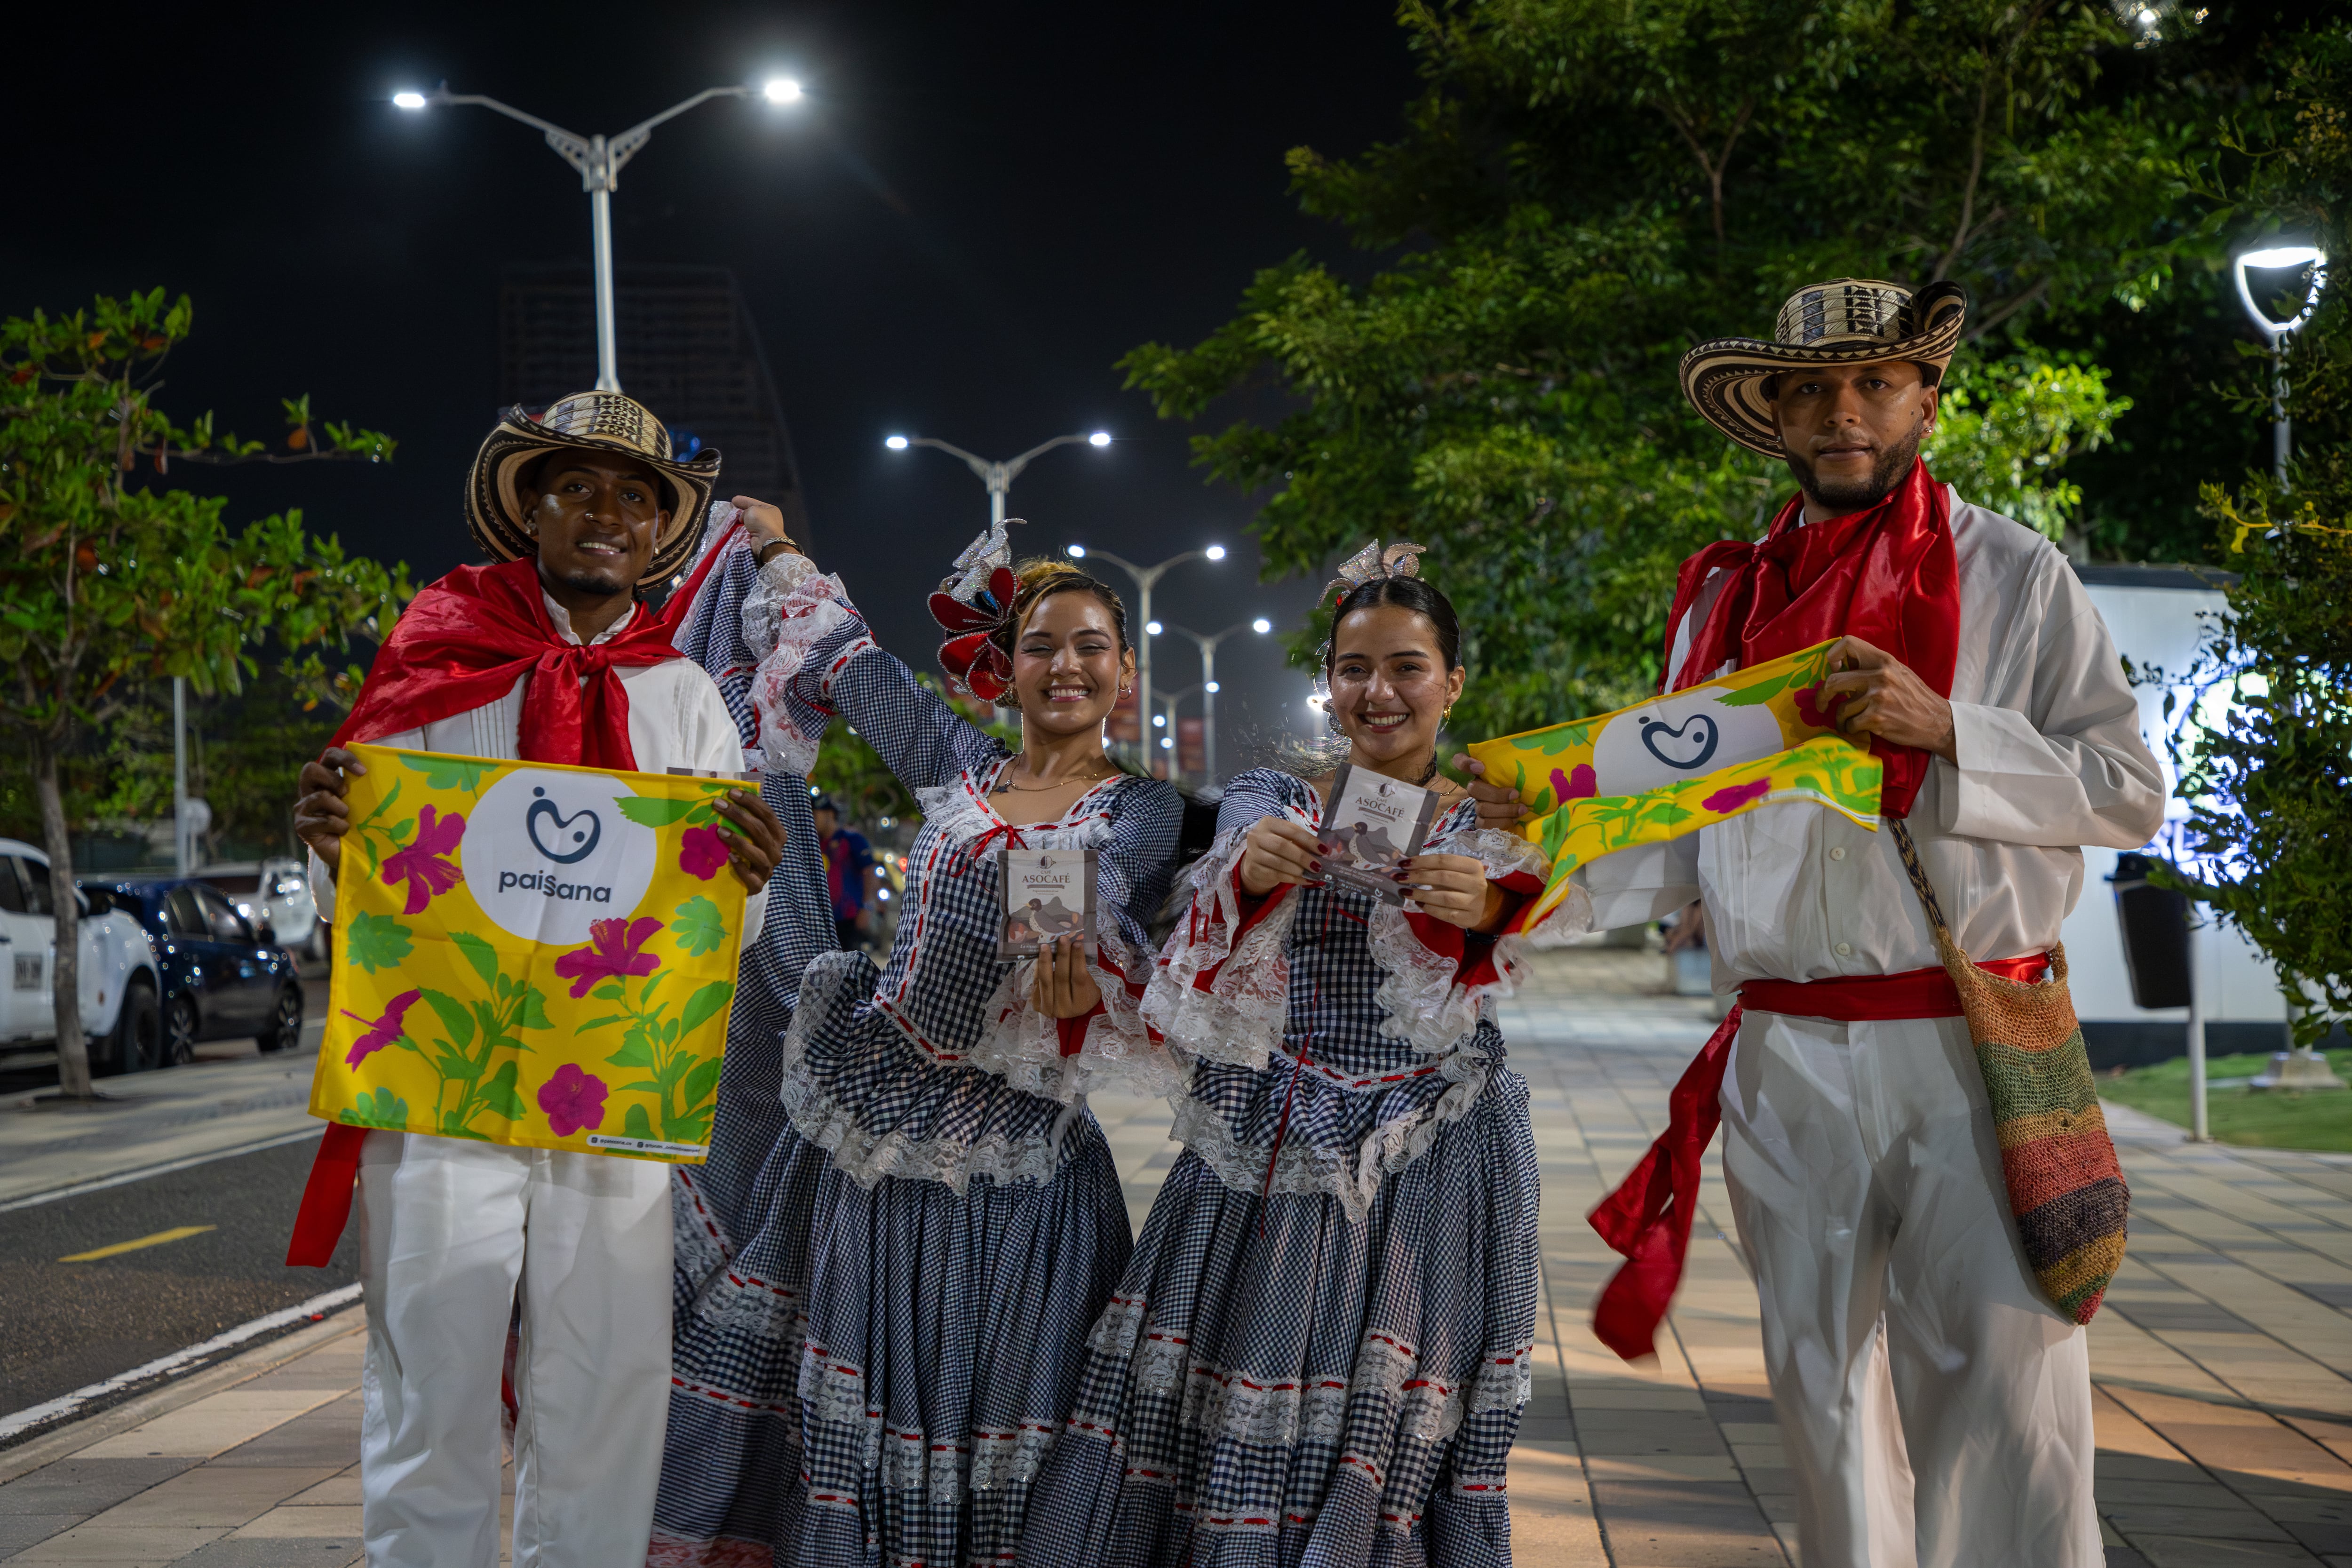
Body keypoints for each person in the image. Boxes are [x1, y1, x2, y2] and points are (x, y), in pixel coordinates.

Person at [1471, 279, 2165, 1568]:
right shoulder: (1721, 606)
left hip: (1972, 1040)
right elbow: (1672, 829)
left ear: (1927, 399)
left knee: (2006, 1396)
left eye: (1876, 383)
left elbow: (2129, 790)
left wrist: (1949, 726)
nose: (1846, 411)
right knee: (1820, 1397)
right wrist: (1516, 880)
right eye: (1812, 389)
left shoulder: (2015, 570)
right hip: (1783, 1052)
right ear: (1774, 417)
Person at [286, 391, 787, 1568]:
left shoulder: (687, 700)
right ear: (532, 508)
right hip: (439, 1081)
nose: (605, 513)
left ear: (662, 530)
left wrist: (749, 881)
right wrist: (329, 849)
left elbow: (725, 926)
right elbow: (358, 868)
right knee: (431, 1371)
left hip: (610, 1086)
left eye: (635, 495)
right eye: (577, 487)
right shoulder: (440, 646)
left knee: (609, 1380)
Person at [1022, 543, 1579, 1567]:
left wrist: (1491, 903)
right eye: (1355, 667)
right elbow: (1219, 899)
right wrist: (1253, 868)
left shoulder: (1499, 813)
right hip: (1273, 1141)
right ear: (1327, 683)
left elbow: (1542, 916)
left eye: (1406, 666)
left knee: (1394, 1412)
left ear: (1453, 682)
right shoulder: (1275, 792)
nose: (1379, 691)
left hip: (1433, 1157)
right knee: (1242, 1393)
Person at [646, 520, 1185, 1567]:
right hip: (869, 1150)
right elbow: (853, 663)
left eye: (1089, 647)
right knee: (859, 1417)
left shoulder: (1143, 807)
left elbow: (1109, 882)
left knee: (1000, 1425)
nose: (1064, 665)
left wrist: (1078, 959)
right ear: (1006, 664)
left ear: (1124, 670)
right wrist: (779, 553)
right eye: (1040, 644)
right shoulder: (959, 771)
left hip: (1021, 1176)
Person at [810, 793, 880, 951]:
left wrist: (867, 907)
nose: (811, 820)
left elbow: (870, 872)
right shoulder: (815, 844)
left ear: (830, 814)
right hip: (820, 918)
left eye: (814, 815)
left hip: (848, 916)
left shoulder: (851, 839)